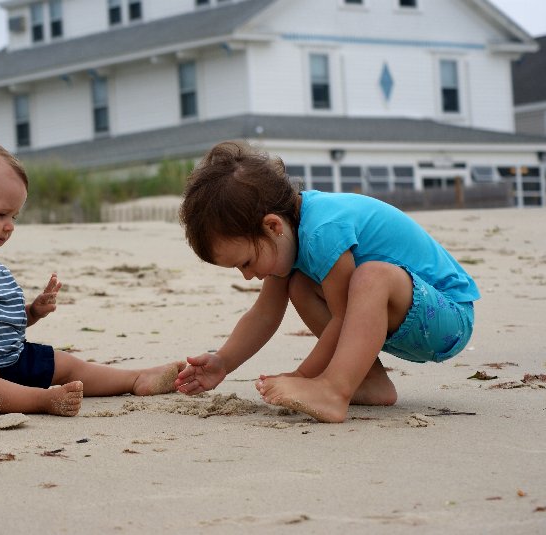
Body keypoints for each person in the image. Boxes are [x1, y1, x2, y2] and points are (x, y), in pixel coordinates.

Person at [174, 141, 479, 423]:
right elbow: (264, 314)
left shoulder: (323, 230)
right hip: (405, 320)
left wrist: (302, 376)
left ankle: (335, 389)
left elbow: (343, 317)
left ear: (273, 226)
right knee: (299, 284)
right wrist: (223, 361)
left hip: (448, 316)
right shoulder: (286, 242)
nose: (247, 275)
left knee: (372, 277)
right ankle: (369, 381)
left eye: (246, 262)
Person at [0, 135, 183, 416]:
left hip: (10, 361)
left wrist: (31, 312)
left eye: (14, 217)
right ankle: (40, 400)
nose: (10, 226)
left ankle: (135, 379)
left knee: (66, 363)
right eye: (1, 214)